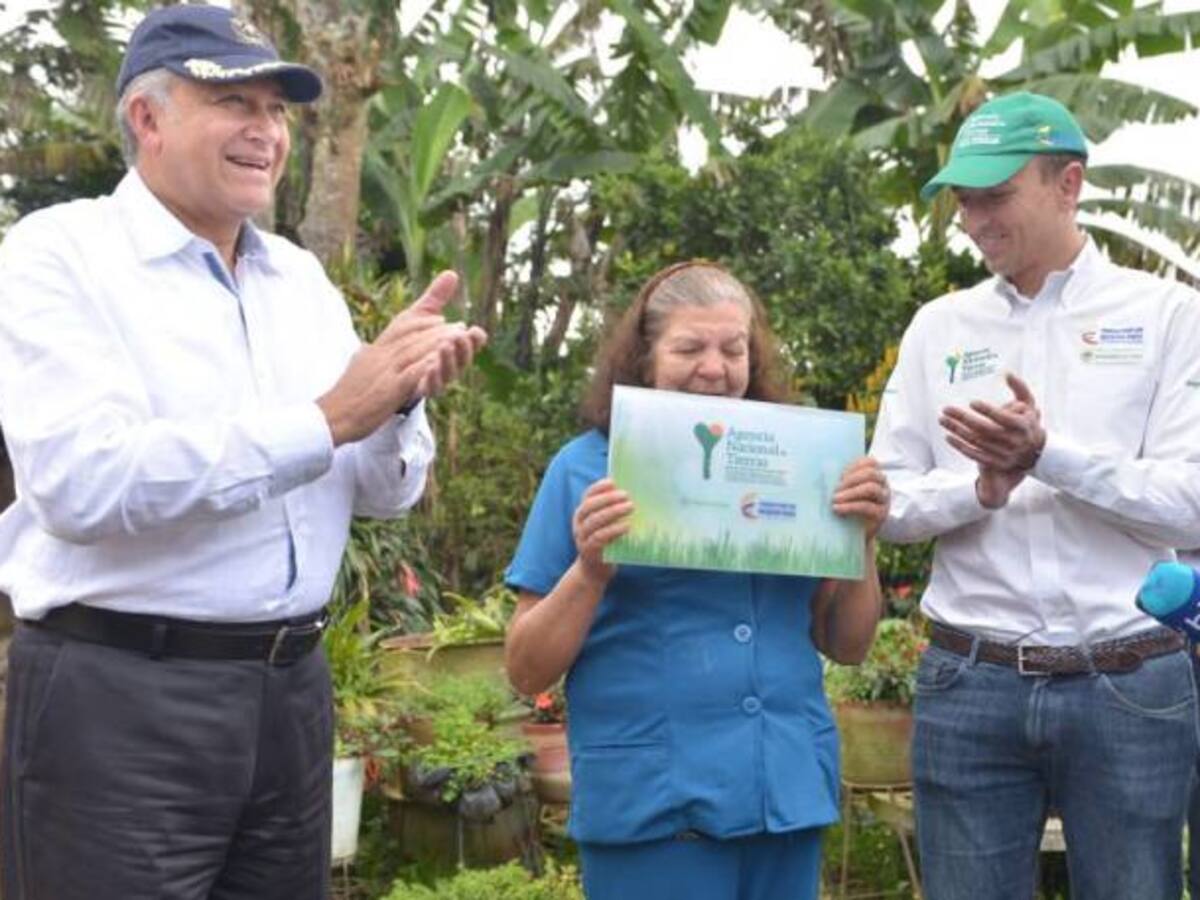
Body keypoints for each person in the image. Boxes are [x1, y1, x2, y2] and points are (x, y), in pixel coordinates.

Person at [0, 6, 486, 899]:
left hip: (289, 697)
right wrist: (335, 414)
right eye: (235, 103)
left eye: (278, 110)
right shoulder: (56, 256)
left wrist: (398, 398)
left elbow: (377, 495)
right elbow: (81, 482)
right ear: (147, 119)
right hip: (120, 699)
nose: (265, 132)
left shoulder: (299, 280)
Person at [870, 91, 1200, 900]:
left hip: (1130, 676)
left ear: (1069, 184)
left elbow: (1190, 504)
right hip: (969, 680)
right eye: (963, 198)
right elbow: (889, 502)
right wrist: (980, 491)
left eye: (996, 195)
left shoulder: (1167, 316)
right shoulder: (937, 327)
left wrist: (1049, 456)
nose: (974, 219)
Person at [504, 260, 890, 900]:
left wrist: (863, 539)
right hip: (654, 809)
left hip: (783, 798)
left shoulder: (797, 465)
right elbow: (525, 670)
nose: (715, 368)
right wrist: (590, 572)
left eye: (733, 349)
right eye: (689, 348)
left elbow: (847, 644)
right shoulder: (585, 470)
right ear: (644, 359)